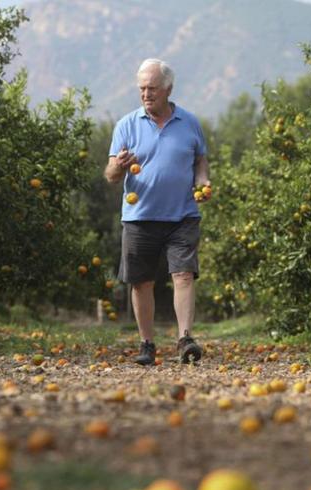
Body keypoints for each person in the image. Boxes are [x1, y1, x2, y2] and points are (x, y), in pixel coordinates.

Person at [104, 58, 210, 366]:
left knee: (184, 274)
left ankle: (185, 339)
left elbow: (200, 160)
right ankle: (147, 343)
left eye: (152, 88)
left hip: (183, 215)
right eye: (142, 89)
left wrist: (202, 181)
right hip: (140, 216)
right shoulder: (126, 125)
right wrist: (118, 166)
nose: (146, 94)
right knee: (142, 281)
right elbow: (110, 175)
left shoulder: (189, 123)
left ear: (167, 89)